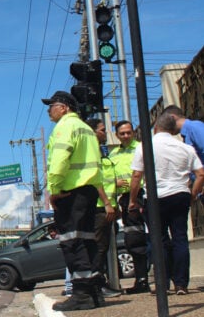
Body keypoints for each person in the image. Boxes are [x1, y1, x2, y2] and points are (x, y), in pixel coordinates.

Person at [129, 112, 204, 296]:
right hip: (180, 194)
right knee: (180, 238)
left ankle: (163, 283)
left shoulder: (145, 146)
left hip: (156, 196)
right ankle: (181, 284)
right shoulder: (184, 147)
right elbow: (201, 173)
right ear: (172, 130)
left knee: (159, 240)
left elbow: (137, 175)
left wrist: (132, 199)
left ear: (156, 128)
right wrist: (192, 194)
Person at [43, 91, 105, 311]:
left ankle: (81, 294)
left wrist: (55, 190)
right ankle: (95, 292)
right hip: (89, 191)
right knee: (88, 241)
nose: (49, 109)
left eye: (52, 105)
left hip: (71, 192)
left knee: (72, 242)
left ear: (65, 107)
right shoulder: (87, 129)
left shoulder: (65, 127)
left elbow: (59, 161)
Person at [109, 120, 149, 294]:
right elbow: (109, 177)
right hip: (125, 198)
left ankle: (145, 280)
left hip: (142, 195)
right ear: (116, 135)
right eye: (122, 133)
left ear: (133, 132)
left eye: (128, 132)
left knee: (146, 238)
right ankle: (140, 280)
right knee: (132, 239)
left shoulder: (141, 148)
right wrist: (114, 182)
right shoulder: (114, 154)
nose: (125, 136)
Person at [86, 118, 120, 299]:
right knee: (99, 248)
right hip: (99, 208)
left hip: (108, 207)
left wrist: (114, 204)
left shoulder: (101, 151)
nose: (105, 133)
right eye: (101, 130)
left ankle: (101, 283)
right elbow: (95, 179)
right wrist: (107, 203)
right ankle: (98, 286)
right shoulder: (92, 152)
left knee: (103, 247)